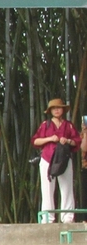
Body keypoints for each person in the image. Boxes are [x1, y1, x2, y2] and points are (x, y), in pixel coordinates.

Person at [34, 95, 80, 223]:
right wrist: (50, 139)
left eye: (59, 108)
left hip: (64, 159)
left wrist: (68, 141)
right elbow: (35, 141)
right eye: (54, 108)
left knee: (67, 188)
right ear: (50, 111)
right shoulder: (45, 125)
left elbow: (77, 141)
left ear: (63, 110)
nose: (56, 110)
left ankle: (68, 217)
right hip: (47, 159)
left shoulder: (68, 125)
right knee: (47, 189)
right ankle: (48, 218)